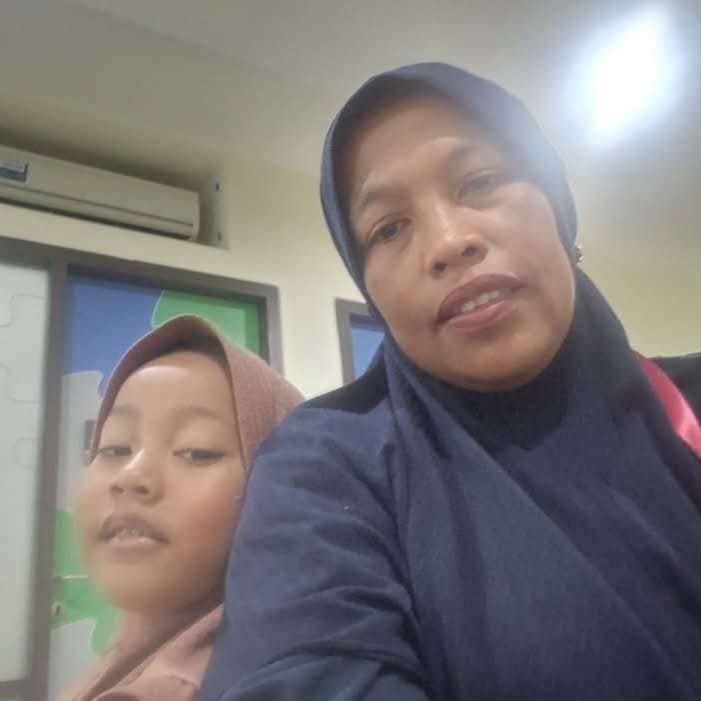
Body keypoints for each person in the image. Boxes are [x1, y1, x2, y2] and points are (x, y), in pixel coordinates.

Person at [201, 63, 701, 701]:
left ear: (558, 207)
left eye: (482, 181)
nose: (449, 241)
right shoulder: (325, 468)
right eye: (388, 228)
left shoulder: (687, 404)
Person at [65, 315, 303, 701]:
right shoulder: (130, 656)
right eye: (114, 447)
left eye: (196, 451)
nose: (131, 476)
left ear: (279, 493)